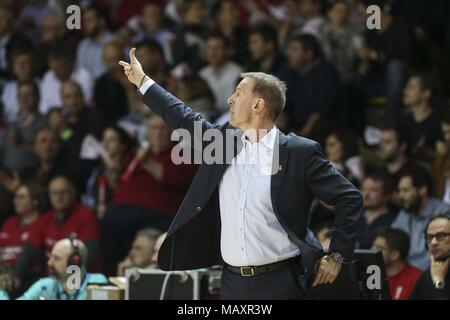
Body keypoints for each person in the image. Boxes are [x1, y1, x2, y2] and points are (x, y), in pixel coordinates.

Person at [119, 47, 363, 299]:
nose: (230, 100)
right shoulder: (223, 142)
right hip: (232, 282)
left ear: (258, 104)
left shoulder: (300, 152)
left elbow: (349, 198)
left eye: (238, 93)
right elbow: (182, 116)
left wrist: (337, 255)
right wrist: (143, 82)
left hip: (283, 281)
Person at [392, 167, 450, 270]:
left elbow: (439, 254)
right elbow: (393, 243)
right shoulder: (405, 213)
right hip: (406, 274)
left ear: (423, 190)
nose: (400, 195)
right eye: (399, 191)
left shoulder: (444, 212)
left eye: (405, 190)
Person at [16, 238, 107, 300]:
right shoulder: (46, 285)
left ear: (75, 262)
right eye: (51, 257)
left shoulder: (97, 283)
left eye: (57, 258)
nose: (49, 263)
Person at [199, 33, 243, 114]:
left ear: (227, 50)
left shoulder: (238, 72)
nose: (213, 52)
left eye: (217, 48)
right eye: (210, 48)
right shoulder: (203, 74)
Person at [373, 228, 422, 300]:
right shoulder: (371, 274)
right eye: (373, 246)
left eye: (378, 248)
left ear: (394, 255)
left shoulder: (417, 278)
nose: (372, 251)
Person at [409, 214, 450, 299]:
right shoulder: (426, 276)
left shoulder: (435, 275)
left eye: (441, 236)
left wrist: (438, 281)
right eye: (429, 237)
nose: (433, 242)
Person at [358, 170, 398, 249]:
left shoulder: (395, 220)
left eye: (373, 190)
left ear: (387, 196)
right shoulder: (352, 216)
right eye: (363, 189)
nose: (365, 194)